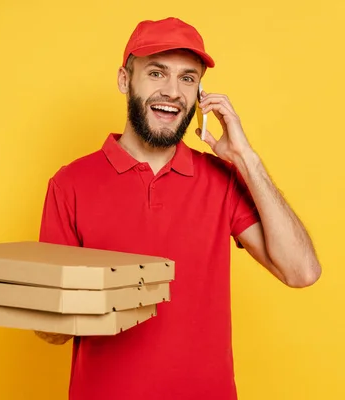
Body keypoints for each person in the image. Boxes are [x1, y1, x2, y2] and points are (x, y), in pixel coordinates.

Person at [35, 17, 321, 400]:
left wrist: (246, 159)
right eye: (157, 73)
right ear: (124, 80)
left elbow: (301, 271)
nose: (172, 91)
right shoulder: (70, 183)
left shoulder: (222, 180)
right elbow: (51, 330)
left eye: (188, 78)